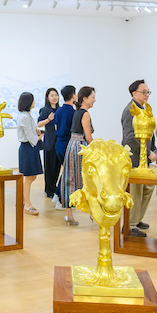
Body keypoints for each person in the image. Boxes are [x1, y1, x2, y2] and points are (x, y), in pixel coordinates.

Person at [121, 80, 157, 236]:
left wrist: (154, 150)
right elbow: (129, 138)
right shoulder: (130, 111)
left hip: (145, 158)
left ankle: (137, 219)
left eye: (148, 92)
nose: (147, 95)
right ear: (134, 93)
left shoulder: (145, 108)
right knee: (135, 191)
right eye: (144, 92)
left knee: (147, 189)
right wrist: (147, 152)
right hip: (134, 158)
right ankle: (129, 225)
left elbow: (151, 132)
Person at [58, 86, 95, 226]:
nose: (94, 100)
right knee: (86, 179)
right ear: (85, 98)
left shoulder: (78, 112)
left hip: (72, 146)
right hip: (80, 147)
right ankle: (93, 213)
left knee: (70, 179)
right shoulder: (85, 114)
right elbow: (88, 137)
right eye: (92, 97)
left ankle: (69, 214)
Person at [16, 92, 44, 215]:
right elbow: (30, 137)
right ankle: (27, 205)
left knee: (31, 176)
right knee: (28, 177)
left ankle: (22, 201)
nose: (34, 103)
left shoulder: (26, 115)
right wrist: (40, 136)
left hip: (30, 148)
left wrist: (36, 132)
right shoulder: (24, 117)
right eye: (32, 100)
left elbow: (30, 132)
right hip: (28, 148)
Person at [51, 85, 76, 210]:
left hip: (59, 144)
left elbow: (56, 128)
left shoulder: (59, 111)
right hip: (67, 144)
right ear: (73, 95)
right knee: (68, 173)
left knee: (65, 171)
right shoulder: (72, 112)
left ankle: (56, 194)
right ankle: (61, 201)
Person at [39, 87, 61, 203]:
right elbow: (39, 123)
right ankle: (49, 190)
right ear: (48, 97)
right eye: (52, 95)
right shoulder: (44, 110)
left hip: (59, 142)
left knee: (57, 166)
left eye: (56, 95)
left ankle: (54, 187)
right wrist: (48, 119)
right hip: (49, 142)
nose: (54, 97)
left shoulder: (60, 109)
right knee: (49, 167)